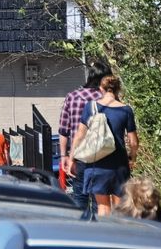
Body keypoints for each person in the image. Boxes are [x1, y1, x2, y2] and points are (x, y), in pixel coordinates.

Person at [70, 75, 139, 217]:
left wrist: (71, 158)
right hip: (119, 163)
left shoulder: (91, 106)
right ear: (118, 89)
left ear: (101, 88)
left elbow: (80, 135)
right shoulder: (126, 110)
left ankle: (105, 235)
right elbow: (133, 142)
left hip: (97, 162)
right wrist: (132, 158)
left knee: (102, 206)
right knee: (120, 206)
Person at [58, 60, 110, 216]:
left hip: (78, 156)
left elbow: (63, 130)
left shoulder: (72, 96)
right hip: (103, 156)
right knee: (100, 202)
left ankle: (80, 233)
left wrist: (64, 156)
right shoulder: (106, 98)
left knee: (79, 197)